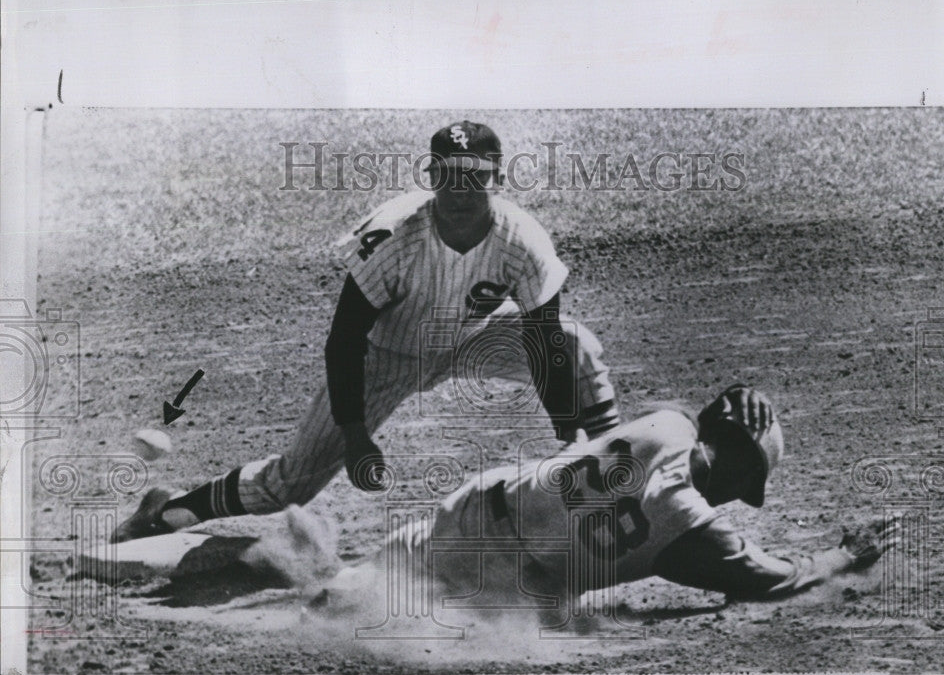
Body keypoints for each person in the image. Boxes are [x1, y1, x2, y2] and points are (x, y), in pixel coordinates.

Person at [113, 121, 621, 543]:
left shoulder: (522, 241)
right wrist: (356, 437)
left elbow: (544, 340)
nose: (459, 190)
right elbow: (345, 340)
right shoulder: (395, 237)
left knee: (576, 344)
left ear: (498, 177)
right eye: (447, 175)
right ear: (431, 174)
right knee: (289, 485)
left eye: (474, 176)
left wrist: (569, 435)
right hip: (382, 359)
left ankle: (616, 472)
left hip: (472, 340)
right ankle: (165, 512)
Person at [307, 384, 897, 615]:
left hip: (469, 509)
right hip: (503, 586)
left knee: (346, 591)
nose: (740, 499)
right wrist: (841, 555)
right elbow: (768, 579)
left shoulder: (666, 424)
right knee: (383, 612)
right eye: (748, 483)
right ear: (741, 463)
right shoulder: (690, 525)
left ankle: (264, 566)